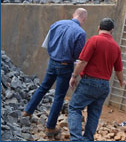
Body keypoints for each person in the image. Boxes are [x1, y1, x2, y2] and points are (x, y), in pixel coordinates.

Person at [23, 8, 88, 137]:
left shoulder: (57, 24)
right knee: (59, 97)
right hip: (65, 65)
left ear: (73, 14)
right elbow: (78, 55)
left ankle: (27, 112)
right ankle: (50, 127)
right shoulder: (80, 32)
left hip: (52, 61)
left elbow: (47, 44)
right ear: (84, 19)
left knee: (43, 87)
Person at [68, 18, 126, 141]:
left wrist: (74, 76)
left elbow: (82, 61)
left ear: (98, 28)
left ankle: (76, 139)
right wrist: (122, 81)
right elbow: (118, 70)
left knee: (74, 108)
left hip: (89, 82)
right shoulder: (116, 47)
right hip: (104, 86)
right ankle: (88, 139)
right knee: (94, 114)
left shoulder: (94, 40)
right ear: (112, 31)